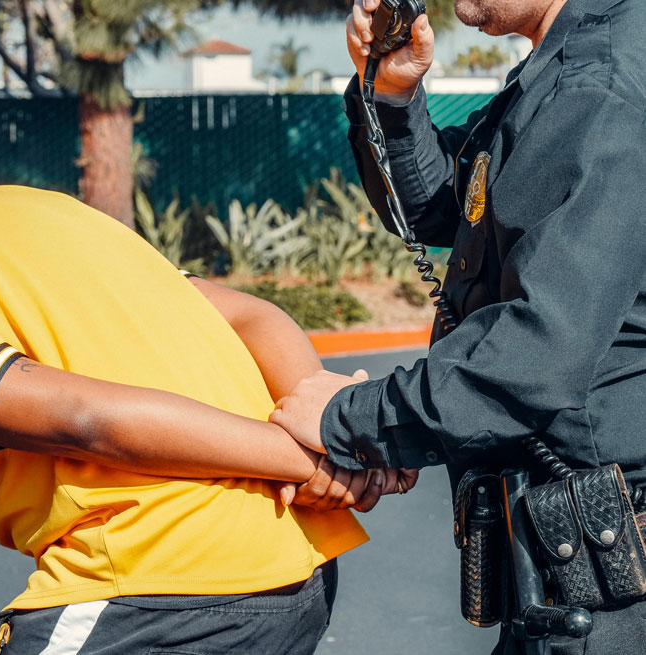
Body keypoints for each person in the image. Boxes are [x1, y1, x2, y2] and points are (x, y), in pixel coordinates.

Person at [270, 0, 646, 653]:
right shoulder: (564, 72)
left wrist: (347, 416)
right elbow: (451, 209)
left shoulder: (602, 88)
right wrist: (392, 92)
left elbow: (536, 352)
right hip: (566, 582)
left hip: (608, 595)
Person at [0, 185, 417, 655]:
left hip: (153, 578)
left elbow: (84, 420)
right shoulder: (26, 208)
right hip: (295, 562)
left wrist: (316, 460)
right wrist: (332, 432)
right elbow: (251, 314)